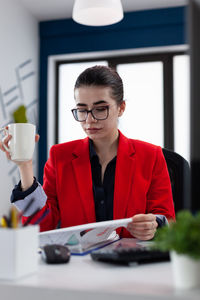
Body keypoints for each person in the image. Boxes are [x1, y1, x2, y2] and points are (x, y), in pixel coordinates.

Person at [0, 65, 175, 240]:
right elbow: (41, 226)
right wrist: (25, 166)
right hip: (78, 262)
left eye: (100, 109)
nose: (89, 120)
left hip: (131, 261)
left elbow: (167, 219)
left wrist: (154, 225)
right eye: (82, 110)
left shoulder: (151, 155)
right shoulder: (60, 156)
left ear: (121, 108)